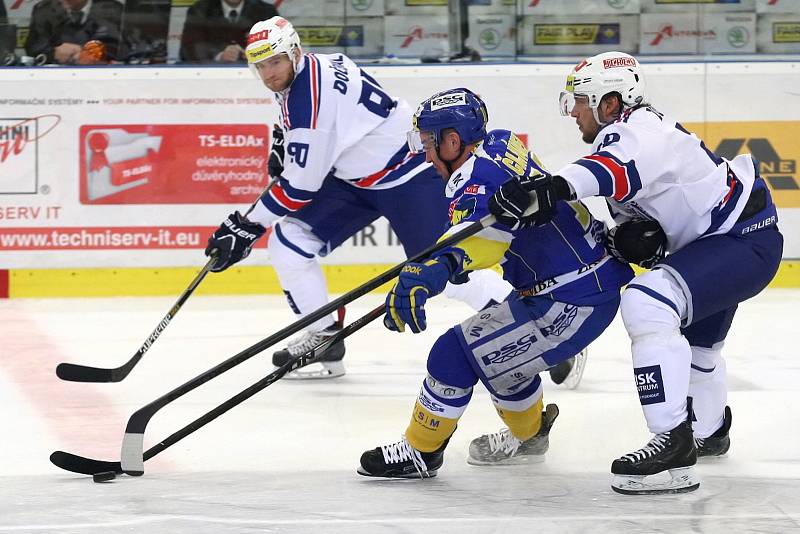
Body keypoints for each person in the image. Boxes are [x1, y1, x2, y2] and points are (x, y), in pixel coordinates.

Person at [488, 51, 784, 494]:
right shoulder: (623, 139)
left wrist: (553, 186)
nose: (574, 113)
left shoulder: (642, 133)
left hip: (742, 242)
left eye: (581, 102)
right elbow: (636, 217)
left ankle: (672, 445)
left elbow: (614, 168)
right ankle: (708, 430)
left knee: (648, 303)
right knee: (699, 351)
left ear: (610, 103)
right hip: (721, 240)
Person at [204, 17, 513, 380]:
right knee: (289, 243)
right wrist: (284, 140)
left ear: (294, 53)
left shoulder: (309, 101)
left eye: (275, 62)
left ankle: (525, 318)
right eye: (261, 65)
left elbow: (300, 186)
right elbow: (304, 121)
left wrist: (246, 225)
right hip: (354, 177)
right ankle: (325, 339)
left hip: (407, 175)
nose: (269, 73)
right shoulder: (311, 67)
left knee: (444, 270)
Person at [357, 88, 634, 479]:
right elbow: (498, 223)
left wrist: (439, 267)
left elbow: (482, 238)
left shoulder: (472, 183)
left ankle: (421, 451)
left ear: (452, 141)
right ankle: (531, 436)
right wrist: (438, 261)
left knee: (452, 352)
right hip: (582, 281)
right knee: (502, 363)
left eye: (428, 144)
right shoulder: (501, 141)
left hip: (570, 299)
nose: (427, 155)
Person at [25, 0, 123, 64]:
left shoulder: (113, 9)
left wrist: (87, 53)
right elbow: (33, 47)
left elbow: (117, 46)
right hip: (56, 78)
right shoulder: (43, 10)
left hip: (100, 77)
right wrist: (53, 53)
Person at [179, 0, 278, 63]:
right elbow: (188, 49)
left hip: (257, 80)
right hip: (211, 80)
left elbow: (278, 47)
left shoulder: (266, 11)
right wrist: (219, 56)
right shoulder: (199, 10)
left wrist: (254, 54)